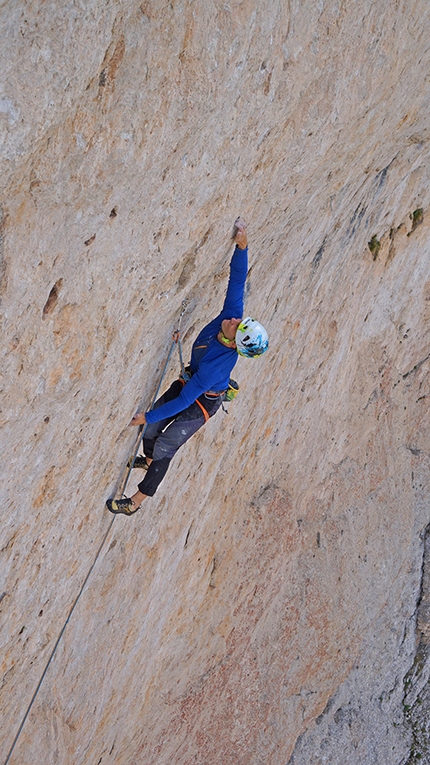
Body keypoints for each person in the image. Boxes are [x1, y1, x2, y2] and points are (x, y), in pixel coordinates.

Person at [106, 218, 268, 516]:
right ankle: (148, 458)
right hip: (193, 380)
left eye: (236, 327)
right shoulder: (232, 317)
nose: (232, 320)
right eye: (237, 321)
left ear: (235, 344)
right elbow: (237, 279)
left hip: (202, 401)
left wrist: (144, 416)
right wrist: (243, 246)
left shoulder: (218, 368)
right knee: (154, 425)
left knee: (167, 442)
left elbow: (184, 401)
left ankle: (134, 502)